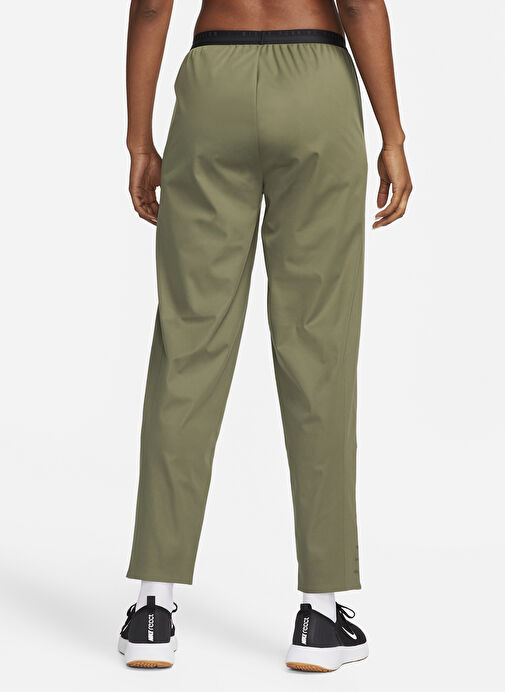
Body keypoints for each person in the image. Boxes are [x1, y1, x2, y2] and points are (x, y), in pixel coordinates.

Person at [118, 0, 412, 672]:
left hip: (212, 88)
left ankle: (152, 606)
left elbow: (152, 5)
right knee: (318, 347)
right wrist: (392, 135)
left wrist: (139, 141)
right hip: (316, 84)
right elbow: (358, 3)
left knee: (188, 343)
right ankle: (320, 613)